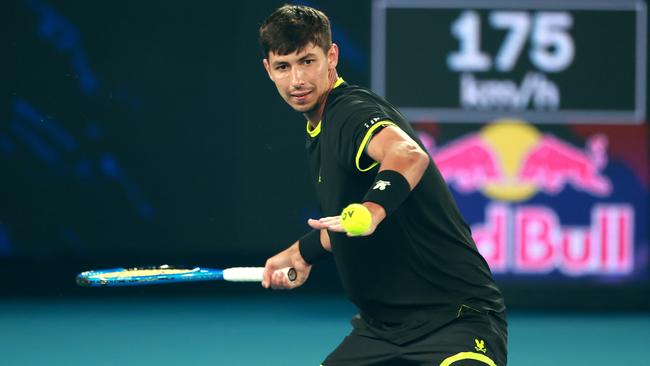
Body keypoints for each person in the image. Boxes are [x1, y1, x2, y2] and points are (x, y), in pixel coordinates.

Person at [259, 5, 507, 365]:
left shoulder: (349, 113)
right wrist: (303, 252)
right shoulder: (320, 127)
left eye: (307, 61)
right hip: (380, 332)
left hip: (456, 321)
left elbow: (407, 154)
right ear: (269, 70)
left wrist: (371, 210)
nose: (297, 79)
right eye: (284, 66)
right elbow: (347, 223)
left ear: (331, 57)